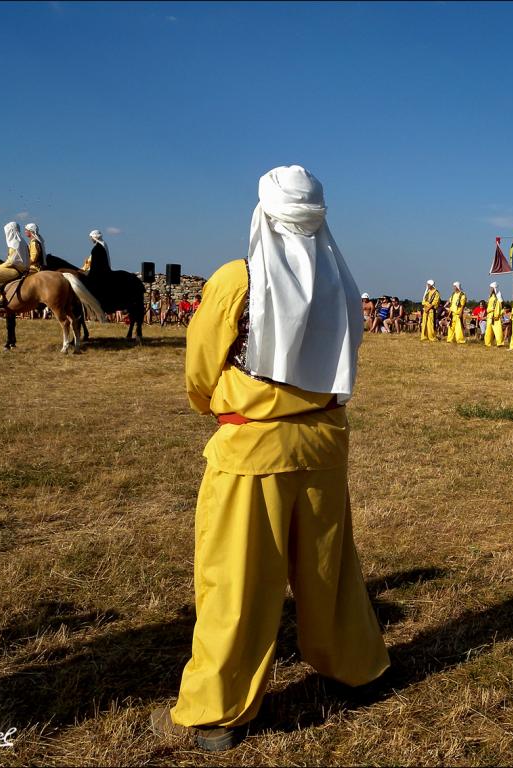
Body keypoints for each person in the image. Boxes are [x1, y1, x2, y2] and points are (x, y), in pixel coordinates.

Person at [151, 166, 389, 751]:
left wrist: (217, 404)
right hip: (325, 444)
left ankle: (220, 709)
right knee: (329, 570)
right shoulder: (340, 279)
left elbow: (202, 365)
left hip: (252, 448)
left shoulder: (239, 277)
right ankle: (354, 667)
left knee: (236, 578)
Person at [0, 222, 30, 311]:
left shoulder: (14, 242)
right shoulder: (22, 241)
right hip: (21, 269)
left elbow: (11, 261)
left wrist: (0, 267)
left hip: (15, 269)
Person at [484, 282, 505, 347]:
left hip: (495, 316)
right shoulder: (490, 296)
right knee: (488, 331)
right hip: (489, 316)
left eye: (491, 288)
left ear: (494, 288)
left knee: (498, 330)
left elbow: (502, 305)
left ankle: (500, 343)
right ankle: (487, 343)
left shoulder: (498, 295)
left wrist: (499, 314)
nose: (490, 289)